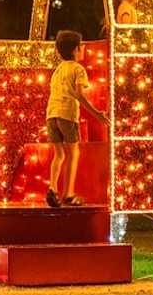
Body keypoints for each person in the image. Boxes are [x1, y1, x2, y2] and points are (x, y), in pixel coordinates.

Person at [44, 30, 110, 208]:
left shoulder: (58, 69)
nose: (84, 48)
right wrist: (96, 113)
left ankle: (52, 188)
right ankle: (69, 194)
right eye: (81, 45)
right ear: (75, 49)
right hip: (67, 114)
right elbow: (79, 94)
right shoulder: (78, 69)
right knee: (74, 154)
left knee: (59, 155)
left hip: (52, 114)